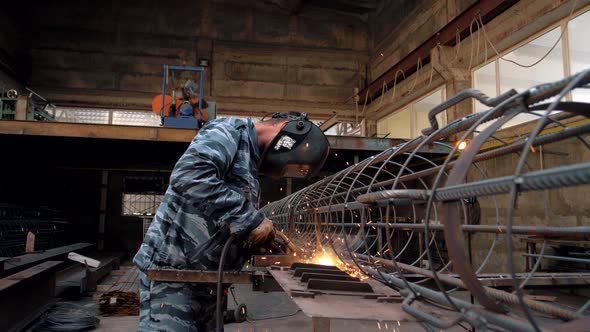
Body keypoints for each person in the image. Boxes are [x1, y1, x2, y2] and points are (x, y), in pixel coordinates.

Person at [134, 112, 329, 331]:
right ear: (288, 130)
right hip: (172, 274)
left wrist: (260, 242)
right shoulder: (228, 132)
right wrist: (250, 219)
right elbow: (189, 176)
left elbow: (222, 218)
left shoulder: (249, 163)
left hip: (207, 280)